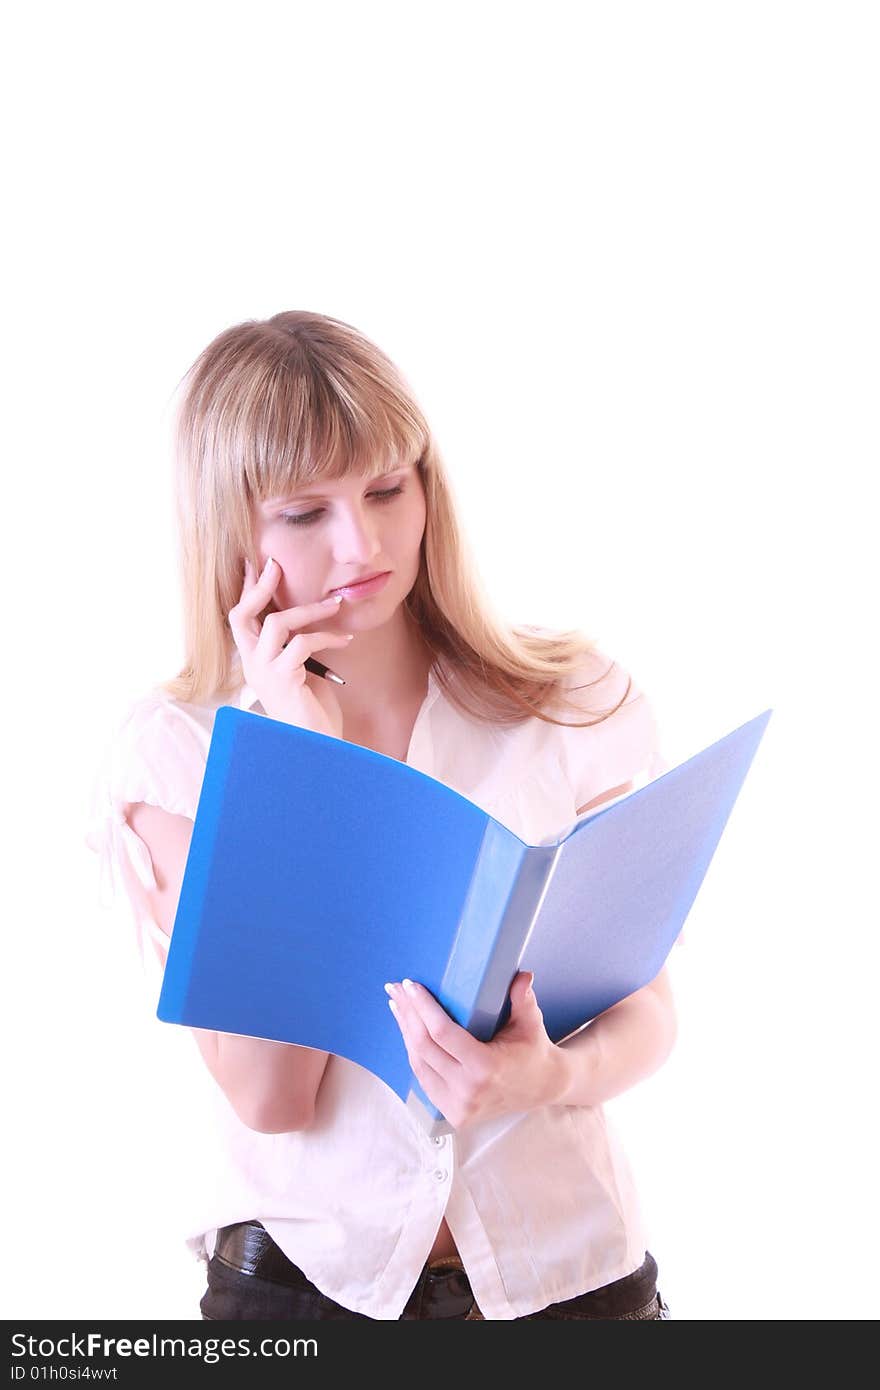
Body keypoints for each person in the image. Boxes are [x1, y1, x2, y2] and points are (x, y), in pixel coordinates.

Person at [86, 309, 677, 1321]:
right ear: (231, 528)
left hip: (572, 1279)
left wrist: (547, 1075)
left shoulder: (567, 699)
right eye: (303, 513)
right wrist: (307, 770)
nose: (361, 543)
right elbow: (273, 1098)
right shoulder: (181, 753)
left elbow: (648, 1013)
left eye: (384, 489)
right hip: (308, 1294)